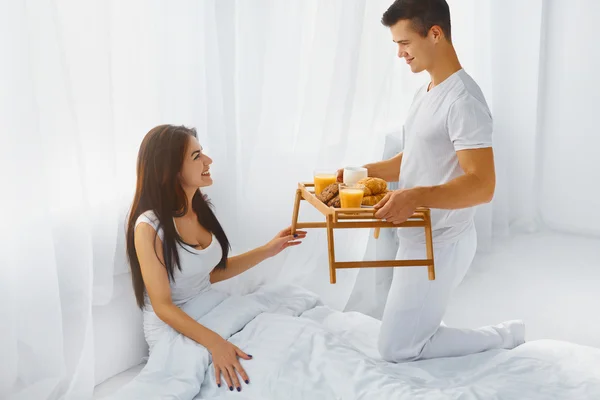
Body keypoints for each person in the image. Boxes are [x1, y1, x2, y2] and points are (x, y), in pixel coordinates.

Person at [338, 0, 525, 362]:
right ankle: (437, 331)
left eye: (404, 43)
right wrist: (364, 173)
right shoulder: (426, 92)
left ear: (435, 34)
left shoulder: (463, 102)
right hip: (416, 236)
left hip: (441, 243)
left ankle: (504, 336)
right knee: (404, 336)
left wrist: (415, 196)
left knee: (396, 348)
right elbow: (415, 157)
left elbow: (482, 186)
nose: (400, 55)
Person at [125, 124, 307, 392]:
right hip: (173, 326)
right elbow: (163, 307)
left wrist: (269, 249)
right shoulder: (149, 227)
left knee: (288, 344)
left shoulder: (199, 209)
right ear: (170, 170)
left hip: (211, 308)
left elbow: (209, 274)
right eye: (196, 156)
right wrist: (216, 344)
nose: (208, 161)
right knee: (259, 371)